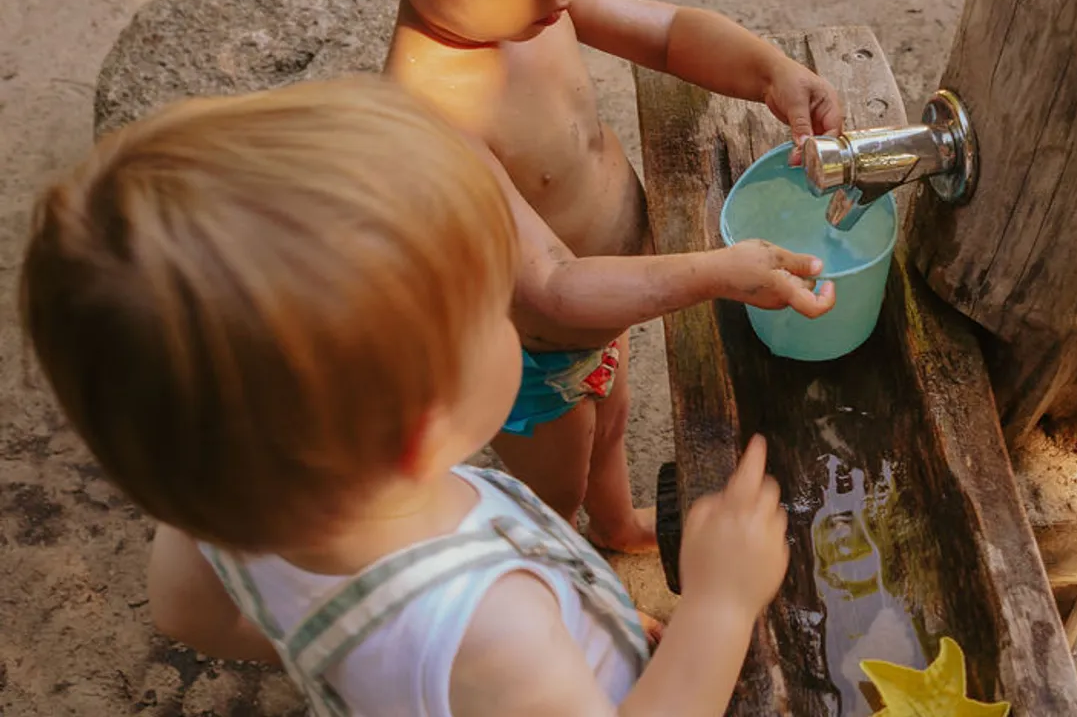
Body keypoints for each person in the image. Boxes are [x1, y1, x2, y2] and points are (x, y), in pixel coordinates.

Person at [20, 77, 796, 715]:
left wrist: (372, 659)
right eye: (497, 313)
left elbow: (188, 616)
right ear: (421, 435)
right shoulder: (495, 634)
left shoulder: (226, 499)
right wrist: (716, 612)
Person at [269, 0, 844, 552]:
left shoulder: (532, 2)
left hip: (607, 309)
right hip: (530, 362)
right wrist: (718, 273)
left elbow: (665, 34)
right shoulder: (433, 117)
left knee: (611, 430)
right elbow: (551, 285)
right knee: (552, 497)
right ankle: (565, 582)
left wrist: (769, 72)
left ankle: (614, 525)